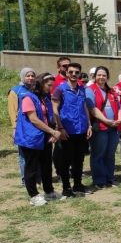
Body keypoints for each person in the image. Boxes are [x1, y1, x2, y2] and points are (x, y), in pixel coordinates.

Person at [15, 73, 65, 205]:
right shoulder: (28, 97)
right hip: (31, 138)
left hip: (45, 137)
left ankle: (49, 192)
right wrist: (52, 132)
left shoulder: (46, 97)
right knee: (31, 168)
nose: (51, 88)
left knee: (46, 166)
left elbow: (49, 116)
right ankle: (34, 195)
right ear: (40, 83)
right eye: (49, 85)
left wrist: (52, 132)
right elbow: (34, 119)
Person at [52, 62, 93, 197]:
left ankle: (78, 184)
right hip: (67, 131)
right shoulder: (60, 89)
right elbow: (55, 110)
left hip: (81, 130)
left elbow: (85, 108)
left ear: (80, 74)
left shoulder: (82, 89)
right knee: (66, 160)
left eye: (76, 72)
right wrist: (60, 127)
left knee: (79, 159)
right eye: (71, 72)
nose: (74, 74)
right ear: (67, 73)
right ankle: (66, 187)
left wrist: (89, 125)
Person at [86, 66, 121, 189]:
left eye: (104, 75)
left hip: (114, 127)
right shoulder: (90, 90)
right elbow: (92, 108)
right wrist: (106, 121)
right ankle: (99, 180)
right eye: (99, 75)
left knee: (110, 154)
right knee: (98, 154)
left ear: (108, 77)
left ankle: (109, 177)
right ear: (94, 76)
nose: (101, 77)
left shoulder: (112, 91)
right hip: (100, 127)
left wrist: (120, 119)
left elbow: (119, 107)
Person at [9, 67, 37, 186]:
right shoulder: (15, 91)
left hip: (35, 127)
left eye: (32, 76)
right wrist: (15, 128)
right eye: (28, 76)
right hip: (22, 129)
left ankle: (36, 177)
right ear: (22, 76)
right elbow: (12, 111)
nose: (30, 78)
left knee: (35, 153)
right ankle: (25, 179)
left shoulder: (35, 90)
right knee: (24, 155)